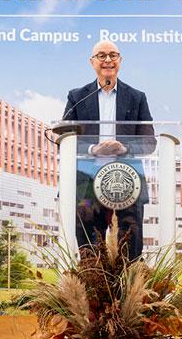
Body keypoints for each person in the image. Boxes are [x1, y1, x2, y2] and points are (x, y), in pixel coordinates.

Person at [62, 39, 154, 260]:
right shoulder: (77, 96)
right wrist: (93, 149)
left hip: (127, 183)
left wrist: (125, 147)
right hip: (86, 185)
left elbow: (150, 142)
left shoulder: (137, 97)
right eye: (102, 55)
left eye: (113, 55)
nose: (108, 60)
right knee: (90, 251)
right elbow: (63, 138)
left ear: (120, 61)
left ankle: (129, 292)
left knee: (128, 252)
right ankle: (92, 292)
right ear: (92, 62)